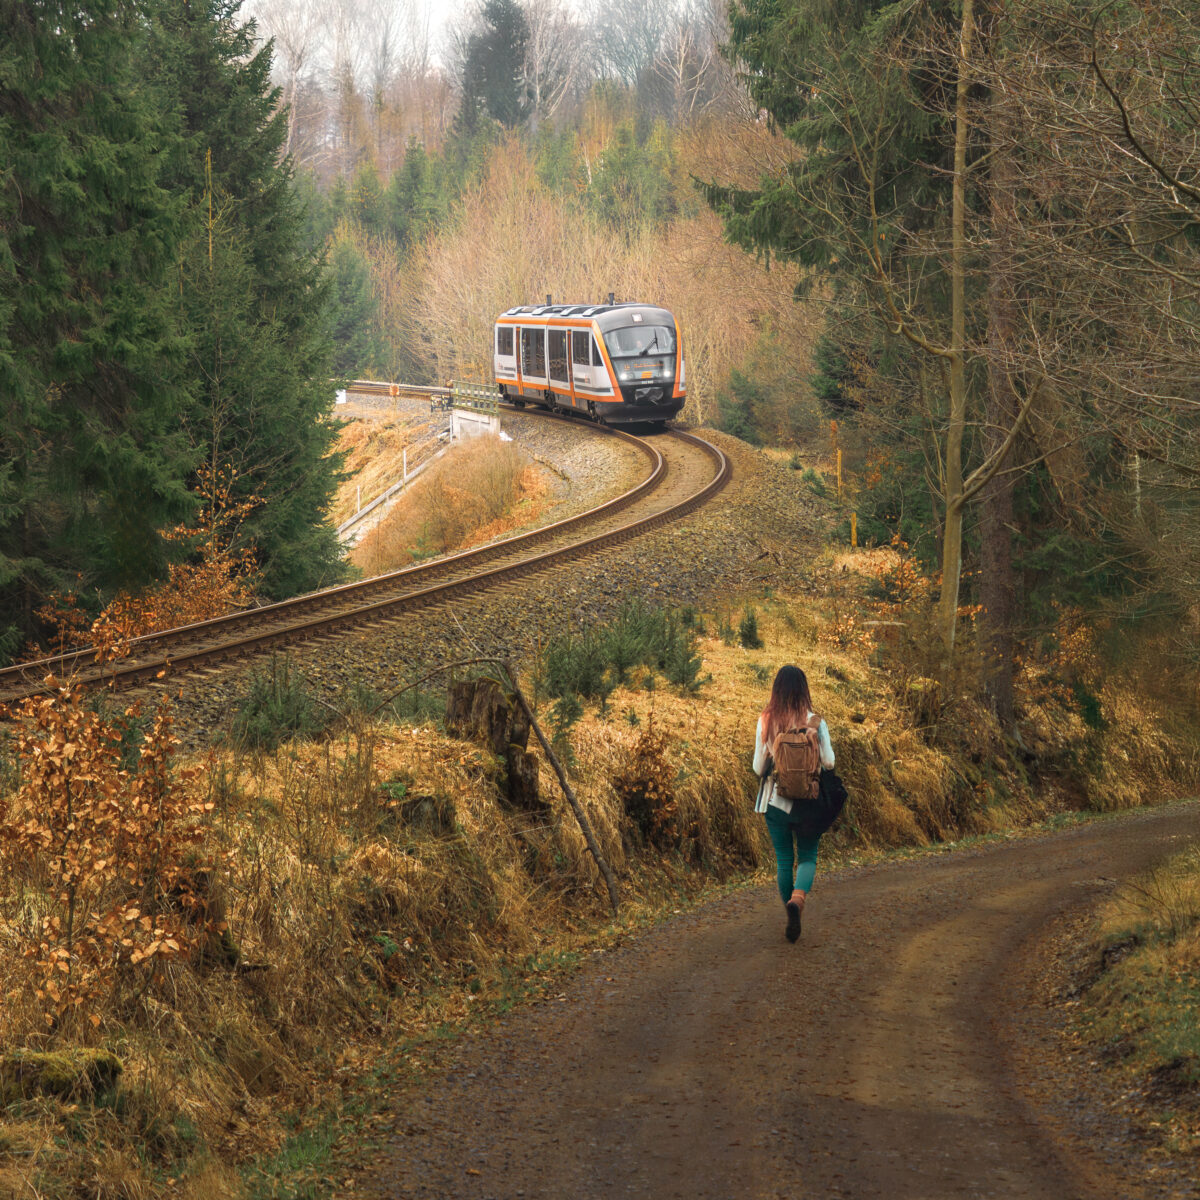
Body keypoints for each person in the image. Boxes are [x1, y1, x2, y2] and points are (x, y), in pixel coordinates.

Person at [753, 665, 835, 943]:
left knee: (784, 859)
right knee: (808, 856)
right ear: (804, 689)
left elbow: (756, 767)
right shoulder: (815, 721)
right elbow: (829, 762)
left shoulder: (766, 720)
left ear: (776, 689)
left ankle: (790, 905)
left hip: (775, 801)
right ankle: (798, 901)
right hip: (809, 801)